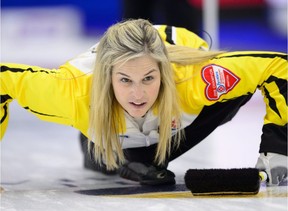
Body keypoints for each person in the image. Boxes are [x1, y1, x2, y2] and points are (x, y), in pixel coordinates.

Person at [1, 19, 287, 186]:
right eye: (125, 80)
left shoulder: (196, 81)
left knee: (233, 89)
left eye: (149, 79)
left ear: (163, 72)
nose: (138, 96)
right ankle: (124, 157)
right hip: (105, 133)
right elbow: (4, 80)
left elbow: (277, 66)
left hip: (188, 109)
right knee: (104, 158)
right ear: (105, 77)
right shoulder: (72, 92)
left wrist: (279, 150)